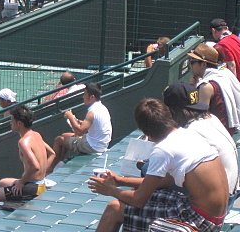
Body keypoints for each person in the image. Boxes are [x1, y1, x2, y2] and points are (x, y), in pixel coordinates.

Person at [89, 98, 229, 232]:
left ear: (145, 132)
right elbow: (164, 182)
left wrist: (110, 190)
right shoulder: (188, 135)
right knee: (139, 201)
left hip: (200, 221)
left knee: (115, 209)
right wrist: (120, 181)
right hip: (215, 217)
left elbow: (139, 200)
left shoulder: (163, 150)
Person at [163, 82, 240, 202]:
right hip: (231, 190)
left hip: (219, 199)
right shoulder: (211, 119)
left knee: (151, 173)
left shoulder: (191, 130)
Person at [0, 105, 55, 211]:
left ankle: (3, 218)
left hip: (31, 188)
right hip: (40, 184)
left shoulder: (23, 142)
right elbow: (52, 153)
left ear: (19, 124)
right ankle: (11, 208)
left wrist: (21, 182)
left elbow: (35, 166)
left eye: (12, 120)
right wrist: (43, 173)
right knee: (3, 182)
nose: (10, 123)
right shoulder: (36, 134)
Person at [47, 82, 112, 173]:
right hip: (100, 144)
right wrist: (77, 120)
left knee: (59, 140)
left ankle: (49, 169)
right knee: (64, 135)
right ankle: (59, 163)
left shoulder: (92, 112)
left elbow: (79, 132)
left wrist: (70, 116)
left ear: (92, 97)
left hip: (92, 146)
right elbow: (91, 125)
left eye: (85, 94)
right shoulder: (102, 108)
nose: (83, 97)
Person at [189, 44, 240, 135]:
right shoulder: (224, 73)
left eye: (192, 62)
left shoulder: (206, 86)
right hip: (229, 128)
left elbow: (200, 118)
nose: (191, 65)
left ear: (203, 64)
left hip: (218, 134)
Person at [210, 18, 240, 85]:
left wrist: (234, 86)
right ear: (227, 28)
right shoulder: (235, 37)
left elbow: (232, 65)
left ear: (213, 30)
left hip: (236, 80)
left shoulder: (223, 44)